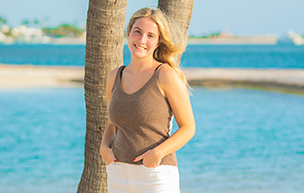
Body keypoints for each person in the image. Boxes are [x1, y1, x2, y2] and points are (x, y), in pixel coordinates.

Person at [100, 7, 195, 193]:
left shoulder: (165, 75)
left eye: (151, 36)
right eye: (138, 32)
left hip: (155, 173)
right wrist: (104, 147)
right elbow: (112, 125)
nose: (142, 40)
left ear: (158, 42)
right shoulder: (114, 77)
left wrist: (157, 153)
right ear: (129, 33)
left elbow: (188, 128)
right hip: (118, 172)